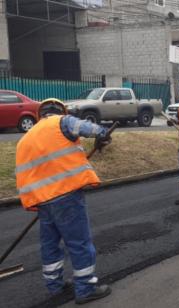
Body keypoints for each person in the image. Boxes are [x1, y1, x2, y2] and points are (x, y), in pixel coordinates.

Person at [15, 98, 112, 304]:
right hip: (66, 196)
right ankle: (85, 288)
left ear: (40, 114)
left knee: (50, 245)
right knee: (79, 242)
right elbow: (87, 128)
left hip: (43, 201)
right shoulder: (61, 122)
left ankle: (55, 287)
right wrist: (102, 134)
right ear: (60, 111)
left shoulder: (26, 138)